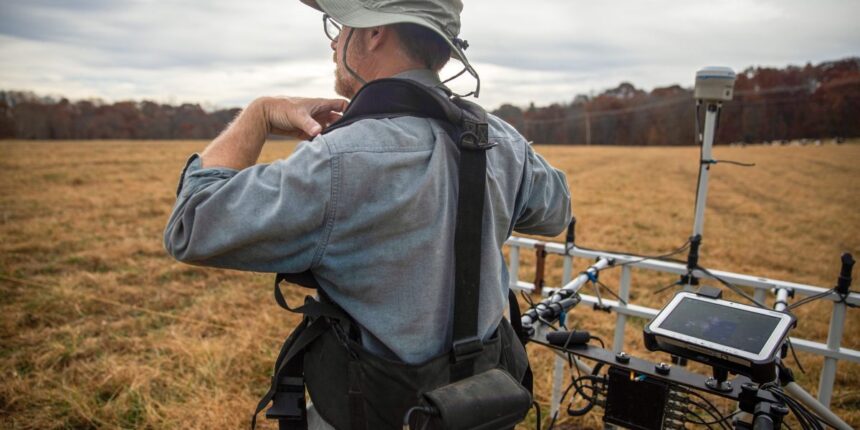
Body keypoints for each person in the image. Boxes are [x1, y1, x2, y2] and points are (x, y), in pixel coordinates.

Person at [164, 0, 570, 428]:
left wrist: (260, 113)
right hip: (484, 406)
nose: (335, 41)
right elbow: (554, 213)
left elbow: (191, 226)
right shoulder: (500, 138)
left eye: (339, 26)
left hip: (374, 410)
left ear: (375, 32)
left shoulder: (338, 159)